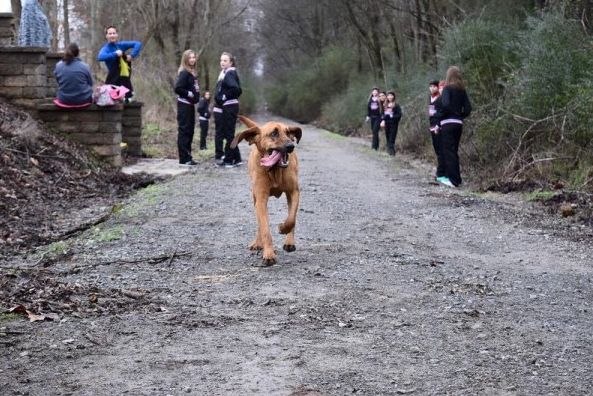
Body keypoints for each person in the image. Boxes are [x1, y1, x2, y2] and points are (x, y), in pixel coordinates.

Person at [437, 66, 472, 187]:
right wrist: (460, 116)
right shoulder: (462, 90)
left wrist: (441, 115)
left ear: (448, 76)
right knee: (454, 150)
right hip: (458, 124)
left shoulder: (447, 88)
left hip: (447, 123)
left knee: (448, 151)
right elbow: (468, 109)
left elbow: (445, 105)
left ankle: (453, 181)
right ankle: (457, 179)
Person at [97, 26, 142, 101]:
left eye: (114, 33)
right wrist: (115, 54)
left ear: (117, 35)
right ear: (106, 36)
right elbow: (100, 57)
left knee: (127, 102)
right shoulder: (106, 48)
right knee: (113, 103)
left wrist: (131, 55)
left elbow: (138, 44)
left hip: (124, 80)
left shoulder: (121, 45)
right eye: (110, 34)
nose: (112, 35)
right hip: (113, 81)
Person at [214, 52, 242, 168]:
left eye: (225, 61)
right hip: (229, 106)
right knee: (229, 133)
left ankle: (229, 160)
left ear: (231, 62)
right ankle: (236, 158)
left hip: (230, 106)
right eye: (221, 60)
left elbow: (236, 89)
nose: (222, 62)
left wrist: (224, 96)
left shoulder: (230, 73)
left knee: (229, 134)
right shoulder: (225, 73)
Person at [174, 49, 200, 166]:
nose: (192, 60)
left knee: (190, 131)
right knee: (184, 131)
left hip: (190, 106)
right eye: (190, 58)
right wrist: (189, 94)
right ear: (185, 59)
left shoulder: (192, 73)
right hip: (184, 106)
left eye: (194, 57)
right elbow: (178, 88)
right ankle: (184, 158)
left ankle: (188, 156)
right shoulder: (184, 72)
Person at [53, 43, 93, 107]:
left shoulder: (58, 66)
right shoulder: (85, 66)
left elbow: (58, 81)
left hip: (64, 99)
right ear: (78, 53)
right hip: (84, 99)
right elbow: (90, 83)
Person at [428, 80, 446, 180]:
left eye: (434, 86)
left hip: (438, 126)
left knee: (441, 149)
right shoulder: (429, 98)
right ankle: (440, 171)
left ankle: (441, 172)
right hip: (432, 125)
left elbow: (441, 112)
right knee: (437, 149)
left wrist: (437, 125)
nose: (432, 88)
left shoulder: (441, 98)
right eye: (430, 86)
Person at [380, 91, 402, 156]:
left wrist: (392, 116)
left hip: (394, 124)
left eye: (391, 95)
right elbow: (382, 114)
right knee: (387, 137)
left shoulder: (396, 105)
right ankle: (389, 152)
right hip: (387, 123)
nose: (390, 97)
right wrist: (383, 120)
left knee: (392, 138)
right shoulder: (385, 105)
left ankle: (392, 153)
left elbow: (399, 114)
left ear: (394, 97)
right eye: (389, 95)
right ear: (387, 96)